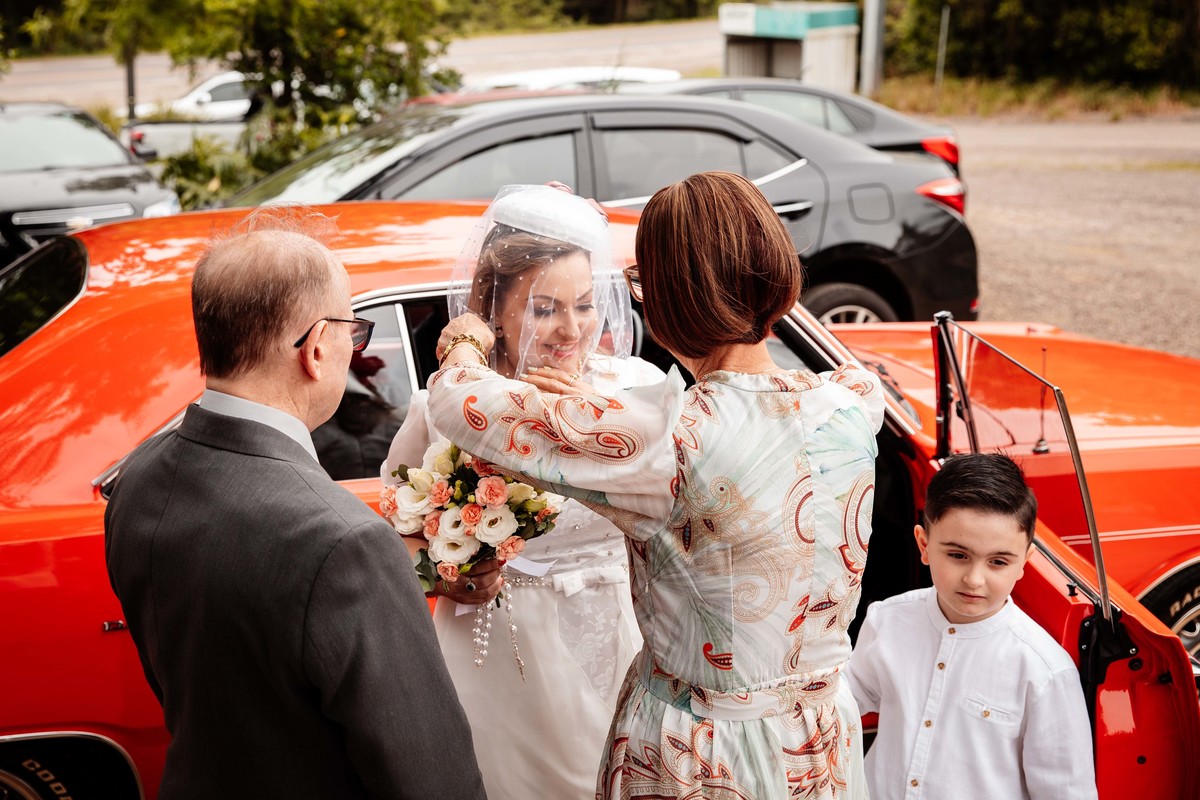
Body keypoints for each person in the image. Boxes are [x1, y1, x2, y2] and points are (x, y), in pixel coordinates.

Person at [426, 171, 885, 799]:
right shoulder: (855, 401)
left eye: (642, 283)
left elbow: (460, 403)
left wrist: (468, 339)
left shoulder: (662, 439)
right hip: (821, 735)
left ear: (671, 298)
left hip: (700, 750)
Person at [104, 208, 486, 800]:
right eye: (353, 333)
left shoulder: (138, 479)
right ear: (314, 349)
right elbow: (431, 776)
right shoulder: (345, 541)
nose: (352, 351)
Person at [382, 183, 662, 798]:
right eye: (544, 308)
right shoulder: (450, 406)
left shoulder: (638, 391)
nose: (571, 330)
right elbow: (399, 530)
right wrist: (445, 574)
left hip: (623, 641)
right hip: (499, 653)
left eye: (585, 305)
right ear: (495, 312)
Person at [844, 453, 1097, 800]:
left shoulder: (1045, 671)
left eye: (998, 562)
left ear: (1024, 562)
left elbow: (1065, 792)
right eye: (958, 555)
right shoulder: (887, 619)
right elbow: (843, 702)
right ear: (924, 544)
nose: (974, 579)